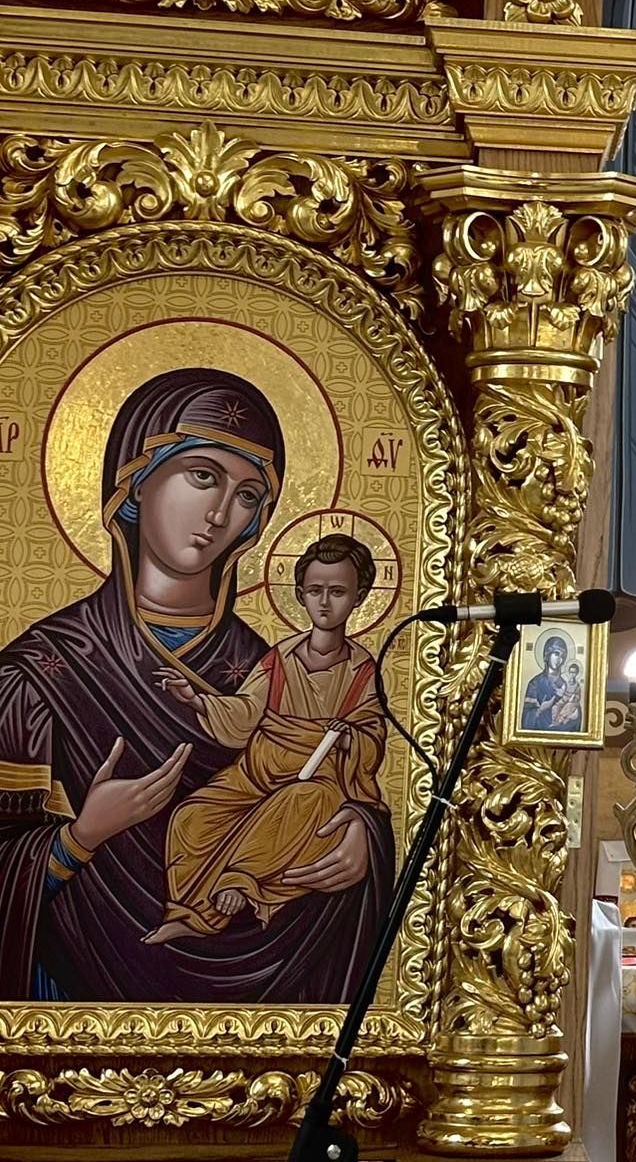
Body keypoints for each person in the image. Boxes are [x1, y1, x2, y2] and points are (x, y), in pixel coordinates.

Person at [0, 369, 394, 1001]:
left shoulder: (269, 665)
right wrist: (82, 836)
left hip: (266, 1010)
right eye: (203, 475)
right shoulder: (41, 673)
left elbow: (335, 772)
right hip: (71, 1001)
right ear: (136, 480)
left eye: (247, 495)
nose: (218, 514)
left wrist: (360, 835)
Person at [145, 533, 387, 943]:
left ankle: (240, 881)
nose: (324, 602)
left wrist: (350, 739)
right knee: (193, 815)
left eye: (337, 592)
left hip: (319, 779)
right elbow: (245, 712)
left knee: (301, 801)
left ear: (359, 597)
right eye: (315, 590)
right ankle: (186, 913)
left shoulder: (362, 672)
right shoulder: (280, 658)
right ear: (300, 595)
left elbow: (373, 736)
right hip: (256, 772)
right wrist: (196, 699)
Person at [521, 634, 582, 733]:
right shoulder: (535, 683)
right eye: (556, 654)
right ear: (547, 654)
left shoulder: (566, 685)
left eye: (562, 656)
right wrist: (541, 709)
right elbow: (527, 719)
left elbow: (574, 717)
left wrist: (576, 713)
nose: (559, 659)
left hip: (561, 733)